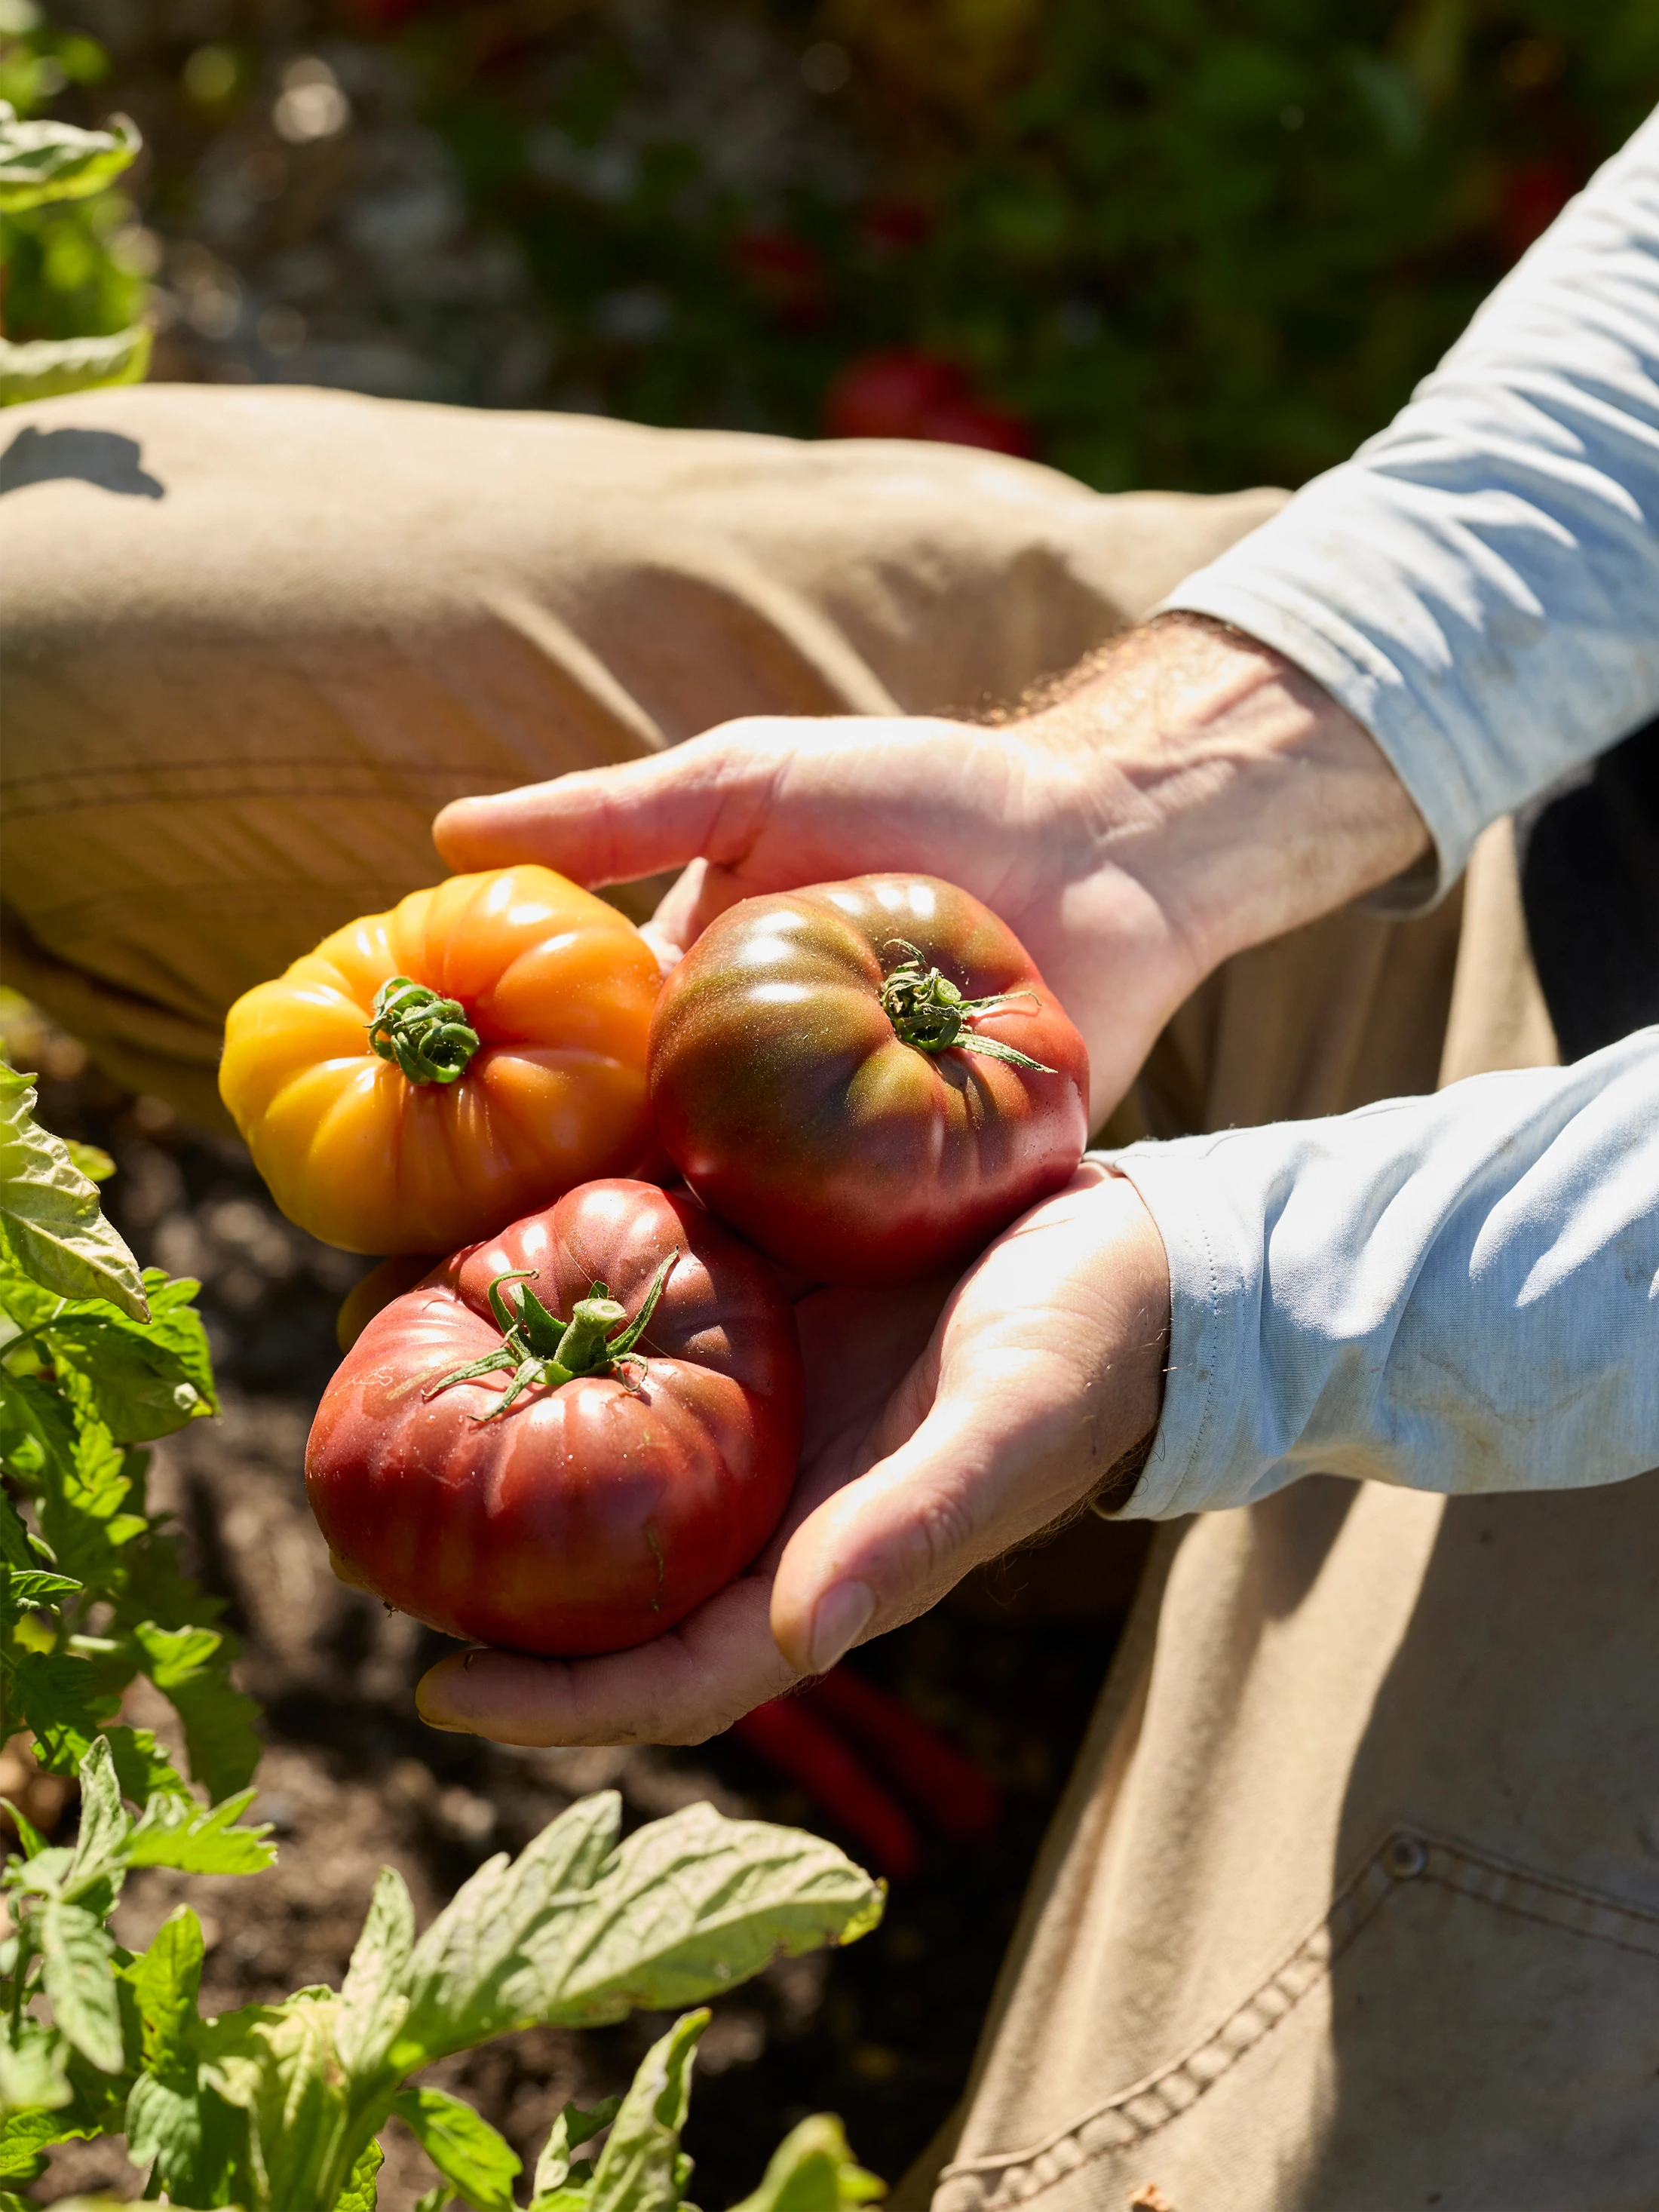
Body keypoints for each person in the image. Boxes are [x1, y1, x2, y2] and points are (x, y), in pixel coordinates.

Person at [7, 98, 1659, 2210]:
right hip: (1504, 781)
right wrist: (1181, 780)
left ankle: (1158, 1621)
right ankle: (1104, 1591)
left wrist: (1231, 1317)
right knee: (46, 612)